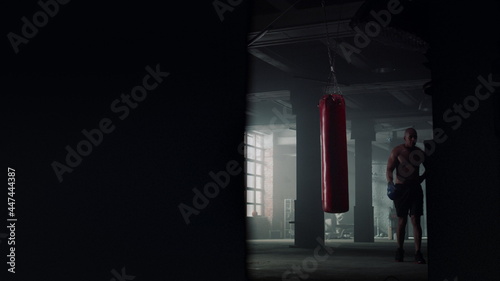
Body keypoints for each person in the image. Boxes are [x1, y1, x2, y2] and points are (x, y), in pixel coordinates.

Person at [386, 128, 427, 264]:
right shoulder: (397, 151)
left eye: (415, 137)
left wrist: (421, 178)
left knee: (415, 219)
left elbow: (429, 167)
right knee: (402, 220)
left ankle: (417, 252)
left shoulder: (419, 153)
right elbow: (389, 169)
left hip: (415, 188)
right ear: (405, 138)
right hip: (401, 189)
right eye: (410, 137)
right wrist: (390, 183)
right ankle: (400, 250)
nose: (413, 139)